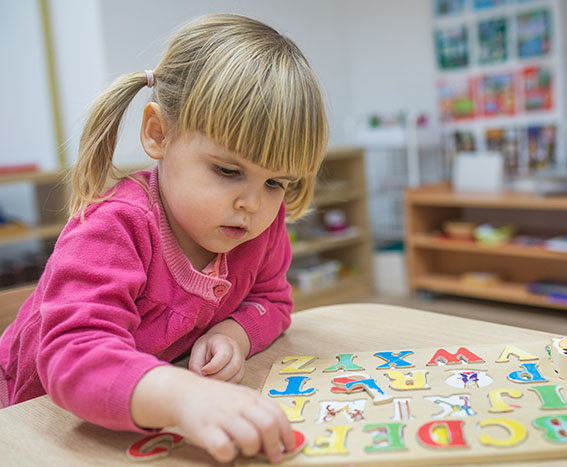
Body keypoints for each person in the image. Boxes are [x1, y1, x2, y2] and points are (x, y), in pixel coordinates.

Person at [0, 13, 327, 463]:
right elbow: (74, 355)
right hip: (30, 423)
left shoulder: (263, 225)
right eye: (228, 171)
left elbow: (272, 300)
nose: (252, 204)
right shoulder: (114, 226)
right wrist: (184, 396)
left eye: (277, 182)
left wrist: (235, 334)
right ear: (159, 134)